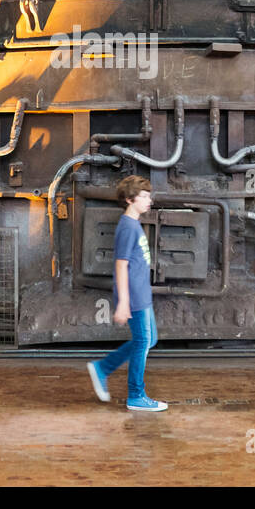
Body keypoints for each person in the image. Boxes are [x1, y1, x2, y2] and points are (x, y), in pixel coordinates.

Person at [87, 175, 167, 412]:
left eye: (148, 195)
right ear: (130, 199)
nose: (149, 200)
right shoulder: (128, 227)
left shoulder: (133, 224)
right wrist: (123, 302)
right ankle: (136, 395)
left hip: (141, 295)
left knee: (149, 340)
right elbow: (121, 265)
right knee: (143, 341)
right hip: (134, 297)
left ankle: (103, 368)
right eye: (144, 196)